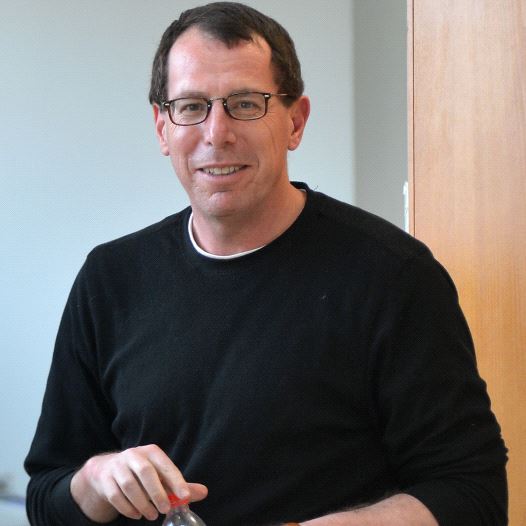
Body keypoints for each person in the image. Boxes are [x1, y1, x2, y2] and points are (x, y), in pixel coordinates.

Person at [24, 2, 508, 525]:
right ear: (162, 128)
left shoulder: (394, 276)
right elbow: (46, 496)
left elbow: (473, 493)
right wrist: (97, 478)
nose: (217, 133)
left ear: (295, 121)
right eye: (191, 106)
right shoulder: (109, 279)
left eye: (245, 104)